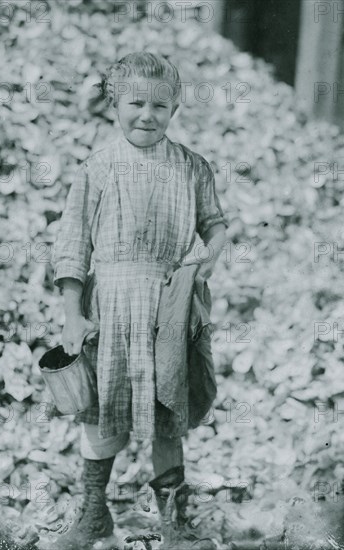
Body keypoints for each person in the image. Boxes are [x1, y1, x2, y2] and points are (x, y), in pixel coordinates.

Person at [52, 51, 228, 549]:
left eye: (160, 105)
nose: (147, 115)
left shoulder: (193, 167)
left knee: (168, 415)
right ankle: (93, 514)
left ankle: (175, 523)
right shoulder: (98, 167)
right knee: (103, 412)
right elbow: (72, 245)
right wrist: (72, 315)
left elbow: (215, 223)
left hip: (170, 307)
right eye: (136, 103)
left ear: (174, 108)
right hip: (109, 301)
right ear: (114, 104)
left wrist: (208, 257)